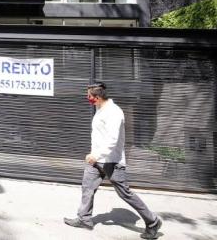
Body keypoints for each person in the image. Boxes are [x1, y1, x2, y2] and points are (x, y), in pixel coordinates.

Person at [64, 82, 162, 239]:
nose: (87, 98)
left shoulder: (114, 112)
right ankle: (84, 219)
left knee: (125, 193)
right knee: (87, 187)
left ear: (97, 97)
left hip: (112, 161)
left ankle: (153, 222)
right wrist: (94, 155)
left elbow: (112, 140)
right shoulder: (100, 108)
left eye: (89, 96)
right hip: (96, 160)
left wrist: (97, 155)